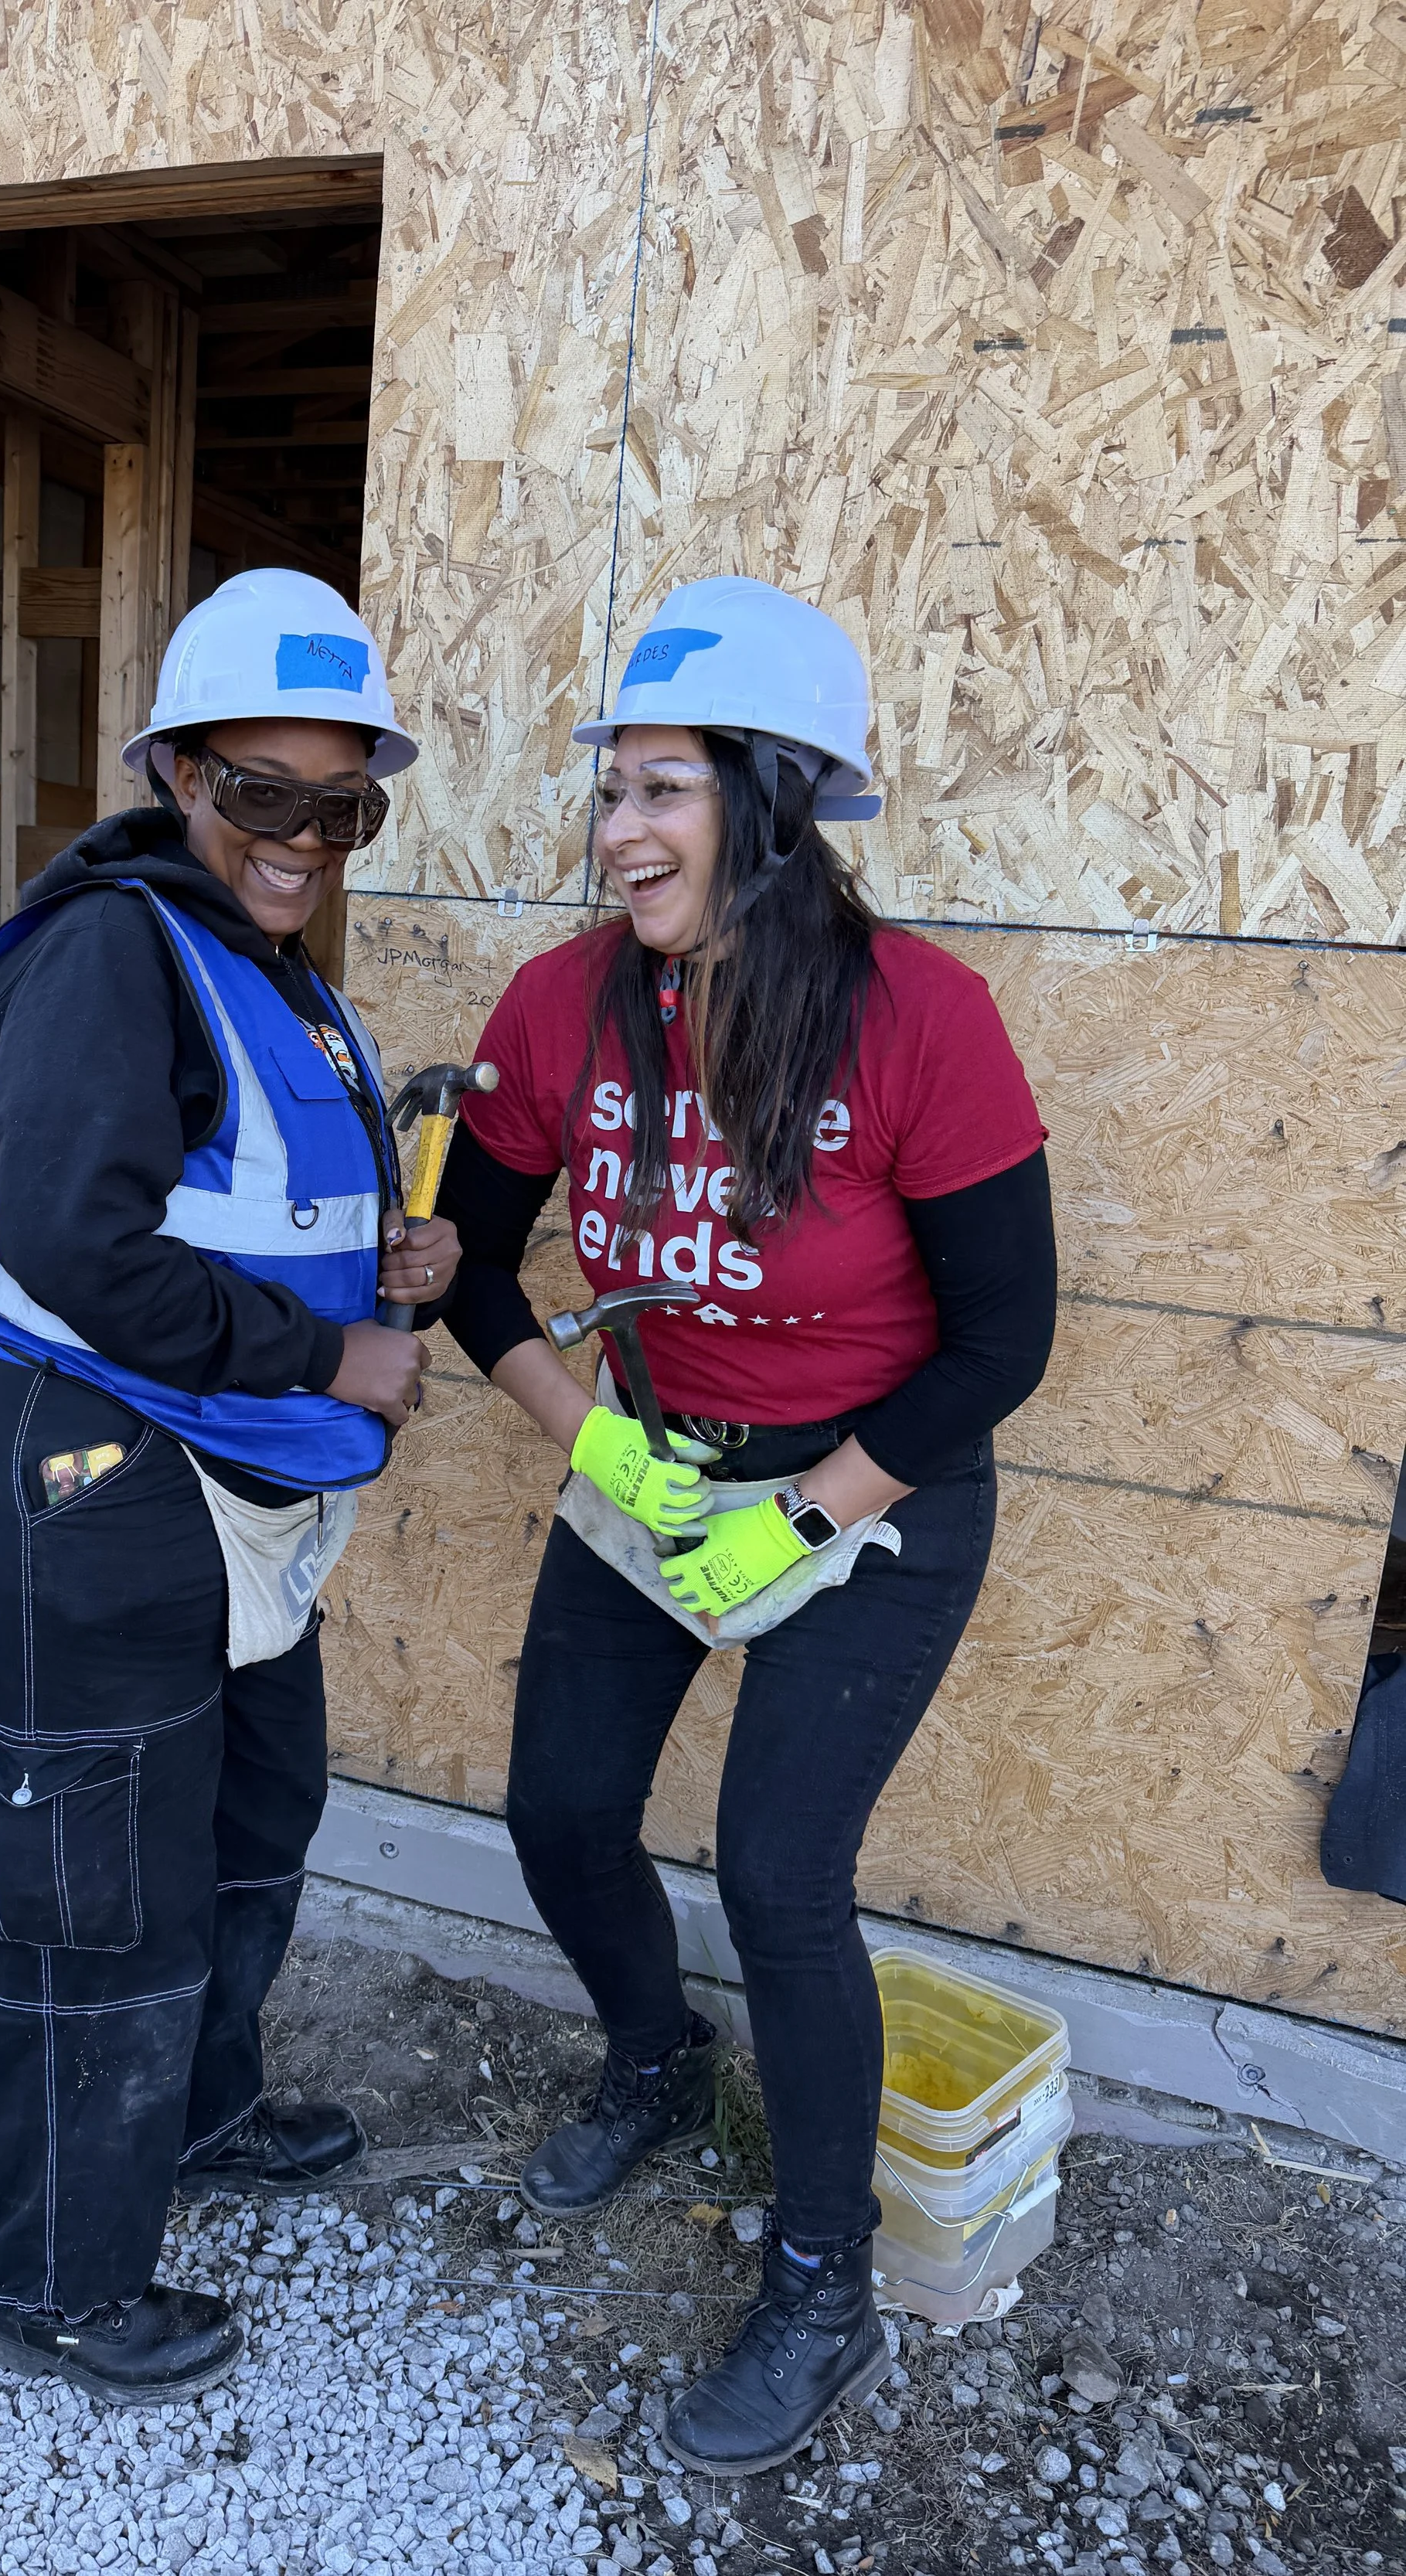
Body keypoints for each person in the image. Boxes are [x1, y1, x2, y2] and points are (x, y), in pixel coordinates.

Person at [436, 575, 1057, 2470]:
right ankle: (651, 2054)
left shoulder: (919, 1018)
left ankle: (818, 2280)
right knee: (555, 1808)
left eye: (662, 793)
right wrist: (603, 1452)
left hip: (871, 1493)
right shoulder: (558, 1004)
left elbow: (999, 1340)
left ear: (771, 806)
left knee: (778, 1877)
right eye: (608, 793)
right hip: (657, 1469)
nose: (618, 832)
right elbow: (465, 1267)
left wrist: (803, 1511)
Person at [0, 570, 460, 2408]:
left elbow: (246, 1201)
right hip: (83, 1464)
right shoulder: (110, 947)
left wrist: (389, 1264)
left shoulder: (270, 971)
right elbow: (73, 1237)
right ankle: (53, 2280)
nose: (300, 837)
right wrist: (323, 1357)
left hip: (213, 1479)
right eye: (259, 793)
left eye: (338, 804)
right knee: (88, 1879)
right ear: (171, 773)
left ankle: (198, 2112)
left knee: (244, 1814)